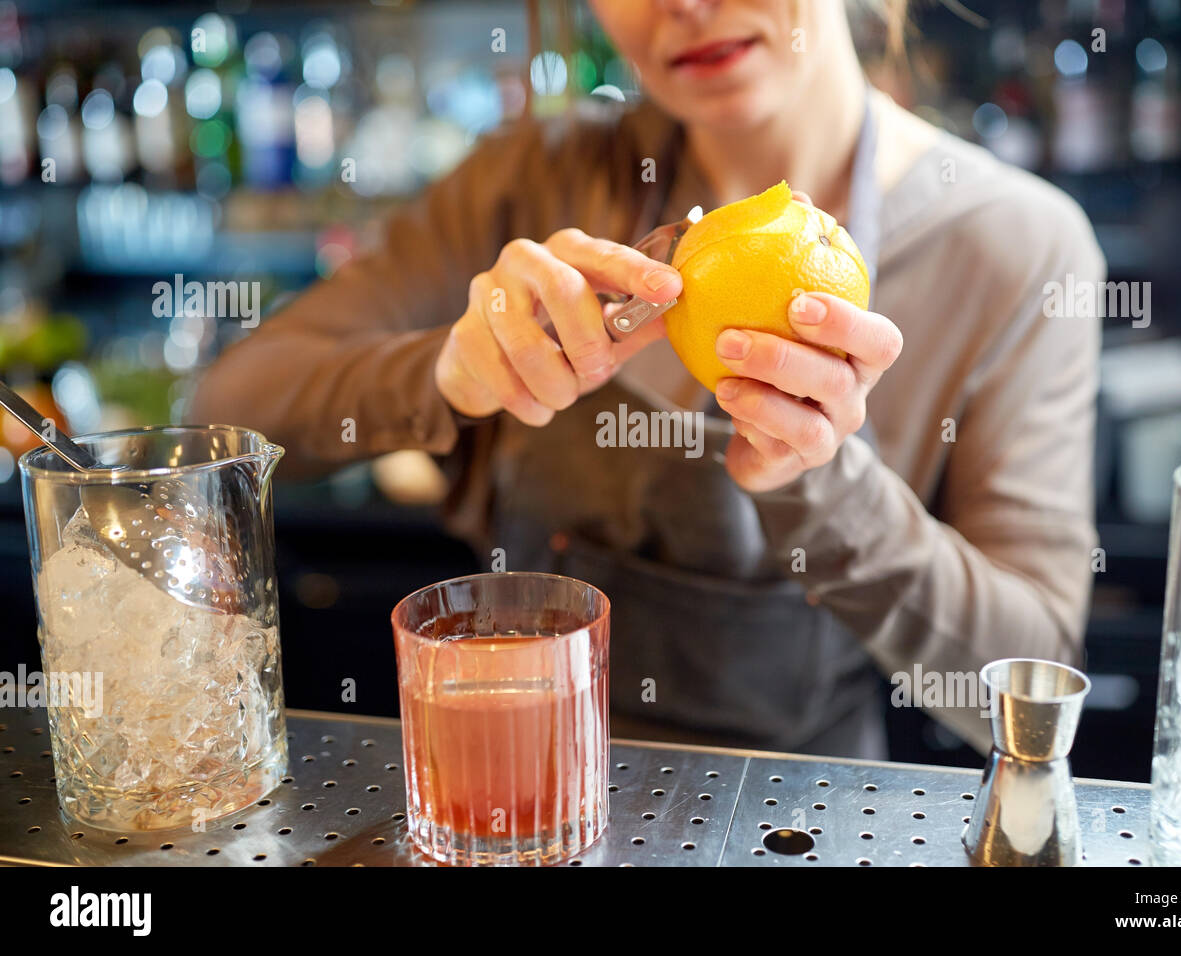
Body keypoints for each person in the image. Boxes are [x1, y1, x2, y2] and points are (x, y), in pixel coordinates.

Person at [192, 0, 1104, 760]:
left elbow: (1026, 689)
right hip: (516, 801)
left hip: (800, 828)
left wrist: (827, 480)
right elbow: (225, 416)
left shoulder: (1014, 248)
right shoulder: (532, 179)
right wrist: (447, 371)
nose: (687, 7)